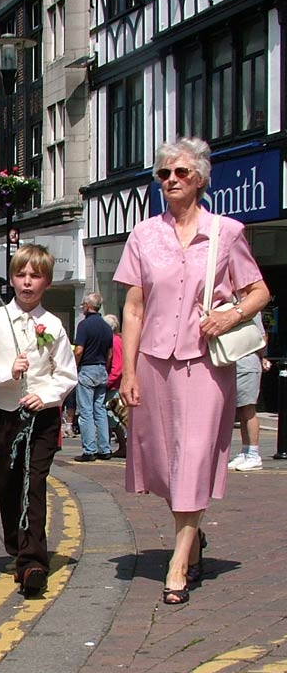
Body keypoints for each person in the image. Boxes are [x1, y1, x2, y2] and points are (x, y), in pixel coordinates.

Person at [115, 137, 269, 605]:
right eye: (164, 174)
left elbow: (259, 292)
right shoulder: (144, 235)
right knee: (162, 463)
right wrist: (128, 371)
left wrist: (230, 315)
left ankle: (178, 564)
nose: (171, 181)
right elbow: (135, 307)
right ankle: (193, 535)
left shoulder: (228, 232)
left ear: (200, 178)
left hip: (205, 365)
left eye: (181, 173)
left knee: (196, 457)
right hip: (154, 362)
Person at [0, 244, 77, 597]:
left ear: (46, 282)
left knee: (34, 482)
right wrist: (7, 371)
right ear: (12, 279)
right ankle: (17, 545)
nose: (27, 283)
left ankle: (34, 562)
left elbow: (66, 374)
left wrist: (45, 397)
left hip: (41, 417)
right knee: (8, 483)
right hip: (5, 416)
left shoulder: (54, 326)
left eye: (36, 276)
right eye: (21, 275)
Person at [73, 292, 115, 462]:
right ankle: (105, 449)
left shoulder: (84, 325)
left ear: (89, 306)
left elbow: (79, 350)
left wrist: (74, 365)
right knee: (100, 410)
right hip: (101, 369)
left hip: (87, 368)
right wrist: (105, 367)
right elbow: (110, 353)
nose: (82, 307)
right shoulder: (106, 326)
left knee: (86, 411)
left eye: (83, 304)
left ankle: (89, 450)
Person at [228, 315, 268, 472]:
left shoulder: (250, 310)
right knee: (241, 411)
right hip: (234, 363)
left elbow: (262, 337)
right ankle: (245, 452)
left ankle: (253, 454)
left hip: (246, 364)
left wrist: (262, 357)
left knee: (248, 409)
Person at [103, 314, 127, 459]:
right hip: (117, 382)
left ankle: (123, 446)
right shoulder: (119, 340)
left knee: (115, 417)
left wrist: (109, 382)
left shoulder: (113, 341)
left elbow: (117, 366)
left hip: (114, 384)